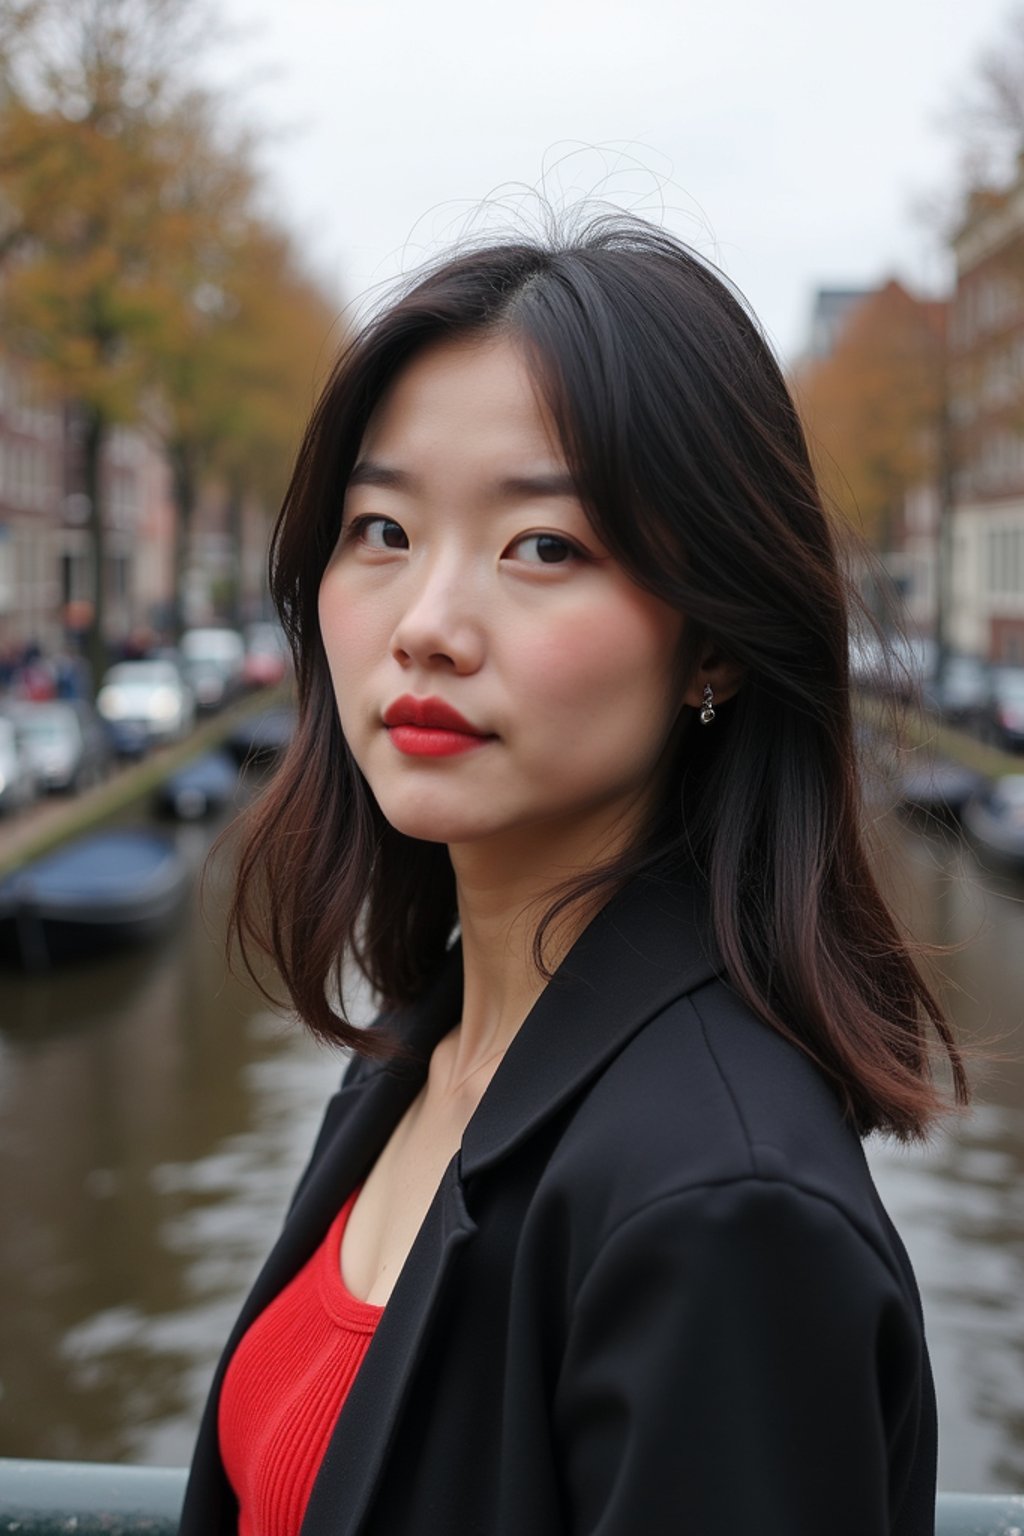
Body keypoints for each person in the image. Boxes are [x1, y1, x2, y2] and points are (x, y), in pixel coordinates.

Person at [180, 215, 967, 1536]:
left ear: (713, 641)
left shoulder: (724, 1215)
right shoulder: (419, 1054)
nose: (425, 624)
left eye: (542, 546)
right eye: (380, 528)